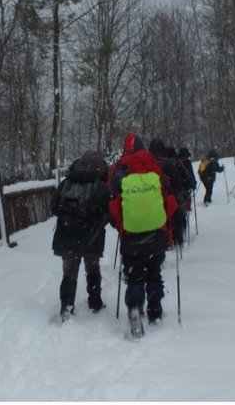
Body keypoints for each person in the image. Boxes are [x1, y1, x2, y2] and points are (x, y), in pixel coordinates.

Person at [107, 134, 178, 337]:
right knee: (154, 273)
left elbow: (114, 206)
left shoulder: (119, 168)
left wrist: (121, 226)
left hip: (132, 236)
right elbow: (169, 200)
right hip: (157, 234)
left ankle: (135, 308)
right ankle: (155, 309)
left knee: (135, 276)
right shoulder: (153, 165)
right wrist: (168, 226)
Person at [51, 150, 111, 321]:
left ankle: (67, 306)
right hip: (91, 237)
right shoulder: (100, 186)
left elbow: (54, 207)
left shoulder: (66, 183)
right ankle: (95, 301)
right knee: (92, 268)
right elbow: (107, 211)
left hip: (67, 235)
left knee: (69, 272)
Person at [148, 139, 185, 246]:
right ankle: (177, 238)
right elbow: (177, 184)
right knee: (178, 214)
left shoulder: (146, 163)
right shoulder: (168, 164)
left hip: (150, 199)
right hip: (167, 198)